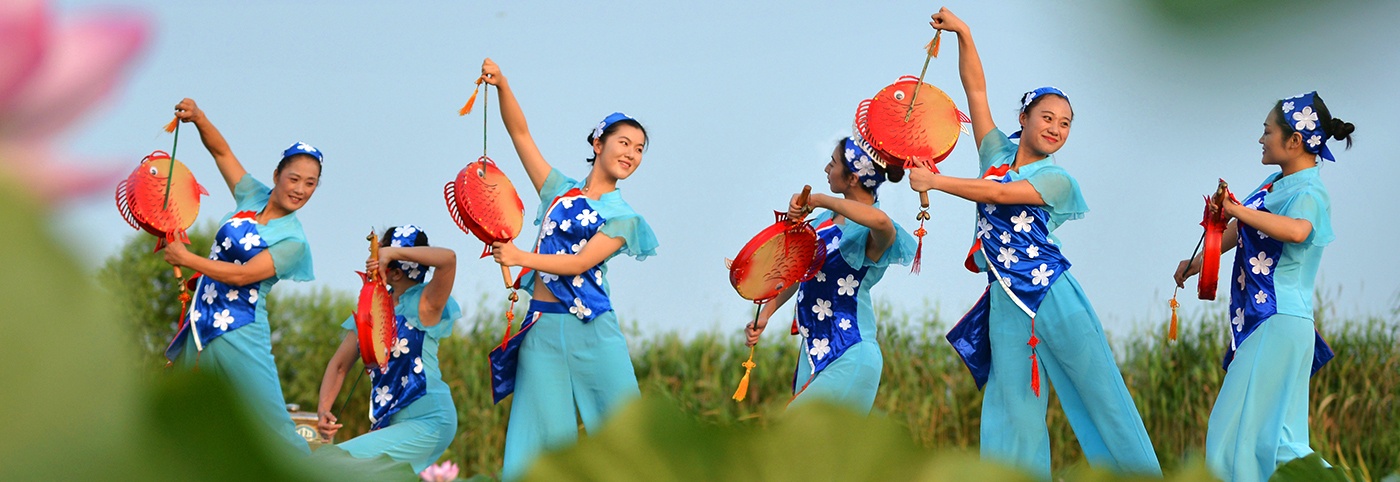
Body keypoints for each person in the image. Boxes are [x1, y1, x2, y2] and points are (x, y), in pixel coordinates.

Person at [909, 8, 1161, 478]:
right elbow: (976, 91)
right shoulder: (996, 153)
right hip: (1006, 301)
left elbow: (1000, 194)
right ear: (1023, 117)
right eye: (1047, 117)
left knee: (1101, 392)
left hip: (1053, 294)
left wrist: (937, 182)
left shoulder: (1056, 178)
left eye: (1065, 124)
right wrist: (965, 32)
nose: (1055, 129)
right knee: (1011, 410)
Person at [477, 58, 659, 481]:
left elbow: (579, 263)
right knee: (537, 450)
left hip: (593, 331)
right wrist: (502, 84)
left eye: (639, 149)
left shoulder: (624, 215)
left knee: (628, 440)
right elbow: (520, 134)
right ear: (599, 143)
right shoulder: (559, 190)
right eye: (624, 142)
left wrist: (520, 257)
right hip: (540, 331)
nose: (631, 153)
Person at [1174, 91, 1351, 482]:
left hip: (1275, 318)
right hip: (1279, 324)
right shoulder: (1277, 184)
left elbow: (1298, 230)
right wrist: (1196, 264)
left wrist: (1238, 209)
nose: (1261, 139)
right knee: (1281, 440)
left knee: (1228, 432)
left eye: (1267, 131)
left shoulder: (1309, 192)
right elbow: (1239, 231)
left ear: (1294, 141)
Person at [161, 98, 319, 452]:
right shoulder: (252, 193)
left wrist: (188, 258)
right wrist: (199, 118)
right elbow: (222, 154)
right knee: (181, 420)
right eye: (294, 178)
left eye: (310, 184)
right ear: (277, 175)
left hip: (240, 331)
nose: (300, 189)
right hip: (201, 325)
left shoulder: (293, 241)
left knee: (274, 429)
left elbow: (242, 276)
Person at [744, 135, 916, 414]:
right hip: (813, 351)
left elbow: (883, 223)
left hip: (850, 352)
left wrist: (823, 199)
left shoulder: (871, 229)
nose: (826, 168)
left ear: (852, 179)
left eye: (833, 163)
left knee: (794, 430)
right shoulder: (824, 222)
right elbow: (800, 273)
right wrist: (766, 314)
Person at [315, 225, 461, 474]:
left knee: (327, 463)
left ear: (394, 272)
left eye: (380, 254)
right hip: (394, 423)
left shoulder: (427, 302)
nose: (373, 259)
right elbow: (339, 365)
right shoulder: (370, 307)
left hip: (430, 420)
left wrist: (393, 252)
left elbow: (448, 259)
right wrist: (323, 409)